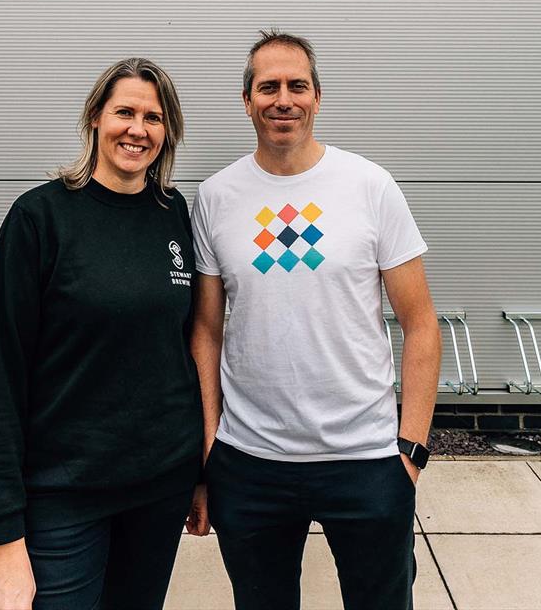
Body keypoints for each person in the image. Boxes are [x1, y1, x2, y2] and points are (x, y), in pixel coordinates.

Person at [189, 30, 442, 610]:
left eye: (297, 85)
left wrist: (412, 451)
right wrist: (211, 446)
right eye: (268, 86)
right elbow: (206, 329)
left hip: (367, 458)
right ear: (246, 100)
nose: (284, 99)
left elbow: (421, 321)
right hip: (251, 462)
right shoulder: (216, 197)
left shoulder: (370, 186)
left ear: (317, 97)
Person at [0, 57, 207, 610]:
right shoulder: (39, 218)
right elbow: (1, 377)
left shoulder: (174, 214)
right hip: (64, 491)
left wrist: (199, 473)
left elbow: (186, 347)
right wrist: (4, 537)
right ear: (96, 120)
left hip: (159, 486)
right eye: (124, 111)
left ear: (167, 131)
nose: (138, 128)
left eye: (153, 117)